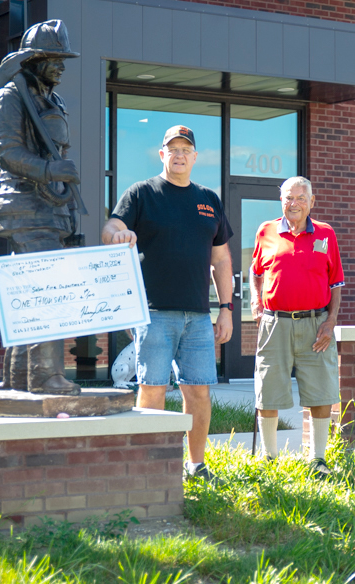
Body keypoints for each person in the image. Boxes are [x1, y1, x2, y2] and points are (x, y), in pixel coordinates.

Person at [101, 125, 234, 481]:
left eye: (185, 149)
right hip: (154, 314)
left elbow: (221, 260)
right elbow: (109, 228)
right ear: (162, 154)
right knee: (153, 389)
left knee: (199, 392)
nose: (178, 155)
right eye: (172, 149)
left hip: (198, 316)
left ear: (194, 157)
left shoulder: (209, 200)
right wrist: (119, 234)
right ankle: (151, 468)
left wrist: (226, 308)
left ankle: (196, 465)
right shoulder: (142, 193)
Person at [0, 19, 81, 395]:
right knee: (47, 289)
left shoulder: (52, 99)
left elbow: (58, 153)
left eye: (63, 59)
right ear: (34, 59)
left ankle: (17, 380)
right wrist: (48, 170)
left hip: (52, 209)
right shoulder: (10, 96)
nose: (61, 66)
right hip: (23, 206)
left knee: (28, 294)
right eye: (54, 59)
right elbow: (7, 153)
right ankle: (44, 377)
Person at [250, 176, 344, 479]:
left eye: (301, 198)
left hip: (316, 325)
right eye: (289, 198)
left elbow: (337, 283)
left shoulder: (326, 234)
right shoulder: (265, 231)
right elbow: (256, 273)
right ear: (281, 201)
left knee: (320, 392)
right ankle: (269, 458)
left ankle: (318, 460)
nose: (294, 204)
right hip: (275, 323)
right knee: (268, 392)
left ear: (311, 202)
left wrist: (330, 322)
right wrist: (256, 302)